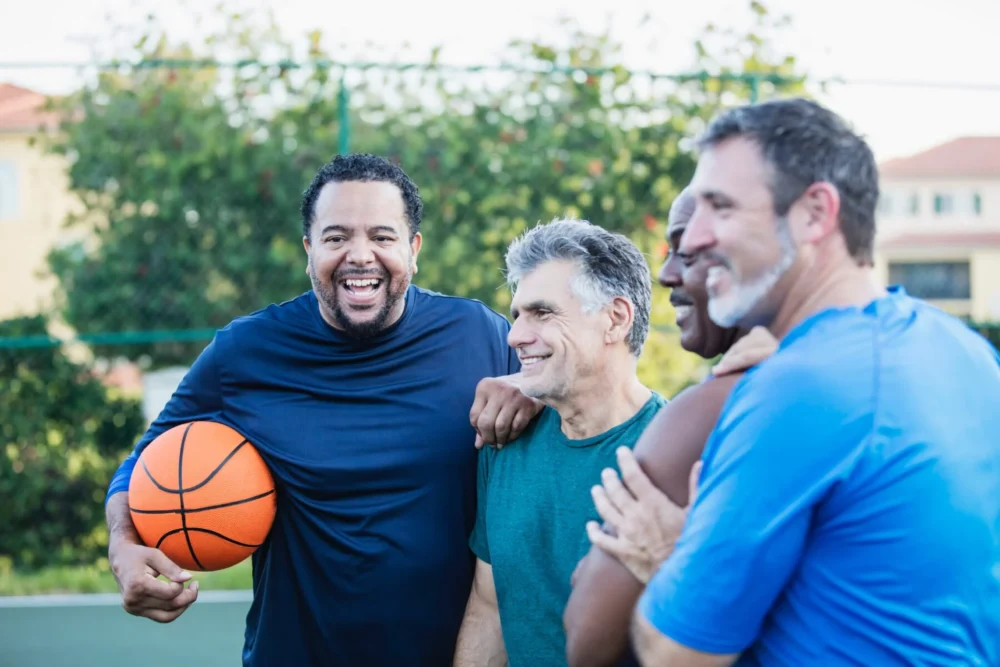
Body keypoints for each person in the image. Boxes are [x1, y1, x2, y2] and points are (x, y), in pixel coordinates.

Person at [104, 153, 542, 667]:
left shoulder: (479, 335)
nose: (361, 255)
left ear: (413, 248)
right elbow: (142, 464)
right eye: (337, 238)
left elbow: (572, 413)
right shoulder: (245, 352)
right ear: (309, 251)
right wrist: (123, 547)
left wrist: (534, 389)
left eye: (382, 237)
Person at [630, 98, 1000, 666]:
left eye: (720, 208)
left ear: (814, 214)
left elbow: (674, 654)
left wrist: (669, 554)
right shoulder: (965, 352)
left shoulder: (799, 387)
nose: (695, 240)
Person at [561, 188, 774, 667]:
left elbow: (586, 638)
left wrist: (674, 565)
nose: (666, 273)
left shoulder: (706, 413)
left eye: (690, 251)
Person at [452, 218, 667, 667]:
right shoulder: (503, 440)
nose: (514, 336)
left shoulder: (676, 454)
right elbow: (490, 607)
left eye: (542, 312)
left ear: (615, 319)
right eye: (516, 316)